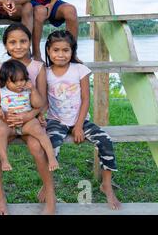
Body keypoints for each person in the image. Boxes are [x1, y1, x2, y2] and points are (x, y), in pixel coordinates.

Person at [44, 30, 121, 210]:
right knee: (50, 146)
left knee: (105, 140)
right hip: (55, 120)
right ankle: (48, 186)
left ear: (72, 51)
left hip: (79, 119)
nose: (61, 55)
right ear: (48, 50)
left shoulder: (80, 69)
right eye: (56, 50)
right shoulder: (46, 72)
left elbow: (86, 98)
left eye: (65, 50)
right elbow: (44, 99)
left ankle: (107, 185)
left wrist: (78, 126)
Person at [0, 23, 57, 215]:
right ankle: (0, 195)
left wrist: (28, 116)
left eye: (23, 41)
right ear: (6, 45)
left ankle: (50, 196)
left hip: (30, 118)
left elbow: (42, 102)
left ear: (30, 43)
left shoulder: (37, 67)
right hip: (7, 120)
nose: (18, 46)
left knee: (36, 146)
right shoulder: (1, 67)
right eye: (13, 42)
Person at [0, 59, 58, 172]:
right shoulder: (1, 92)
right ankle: (4, 159)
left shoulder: (27, 91)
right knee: (1, 132)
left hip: (27, 122)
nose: (19, 84)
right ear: (6, 82)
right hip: (9, 123)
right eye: (14, 81)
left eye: (22, 80)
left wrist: (33, 90)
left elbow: (38, 104)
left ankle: (52, 157)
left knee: (39, 131)